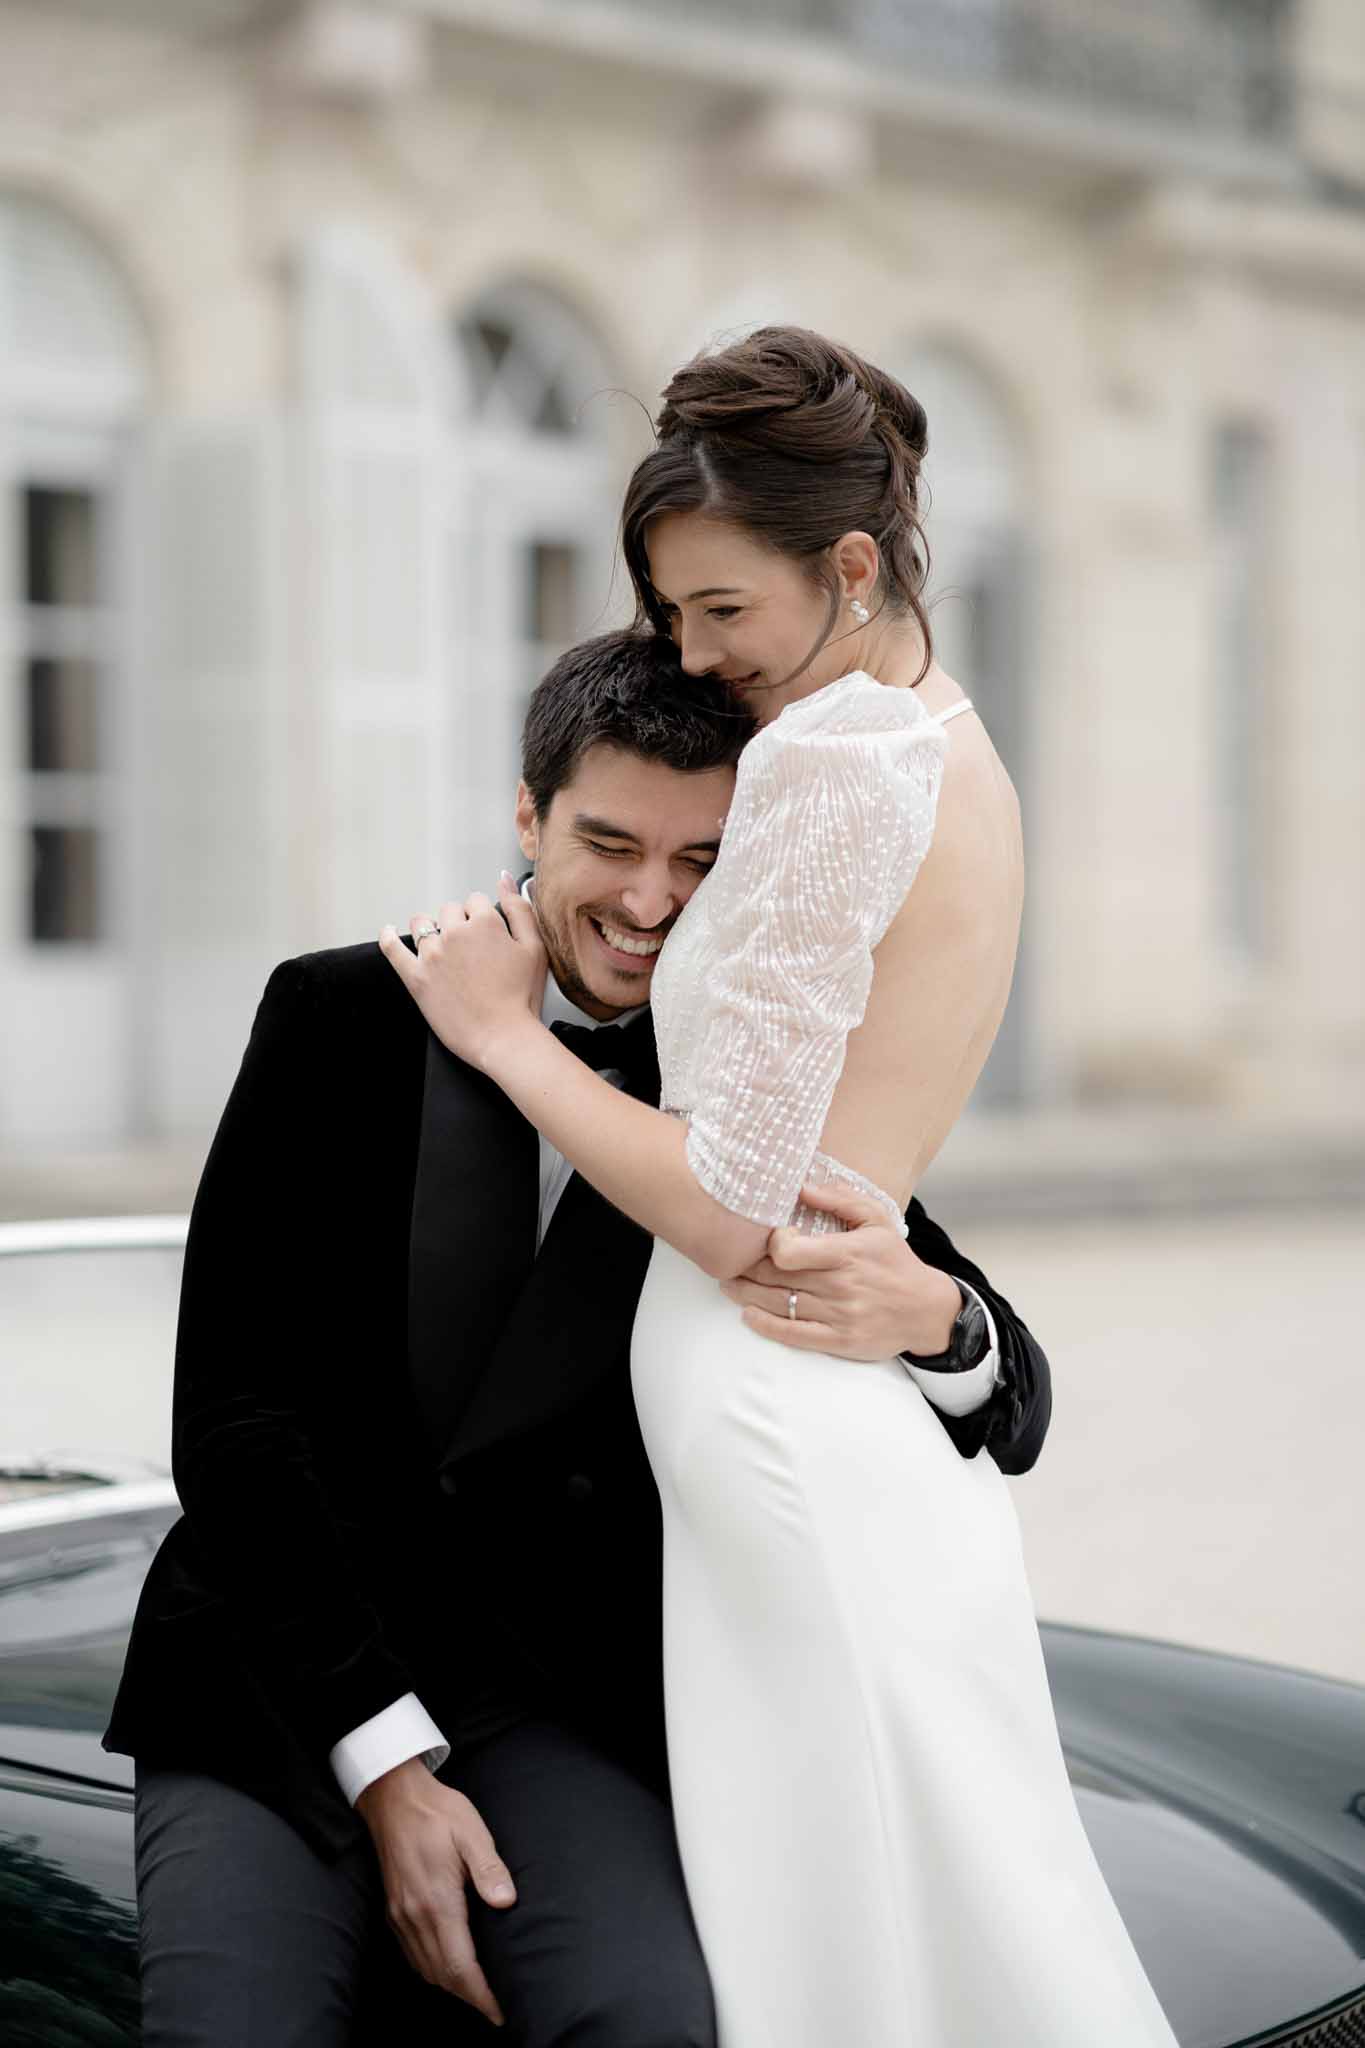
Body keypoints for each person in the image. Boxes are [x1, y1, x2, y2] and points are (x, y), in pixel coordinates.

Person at [383, 328, 1179, 2046]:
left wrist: (506, 1042)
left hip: (769, 1404)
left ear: (851, 565)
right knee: (947, 1905)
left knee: (846, 1944)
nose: (694, 654)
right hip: (827, 1398)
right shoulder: (951, 744)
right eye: (670, 615)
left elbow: (744, 1212)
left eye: (720, 610)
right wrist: (939, 1316)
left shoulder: (834, 759)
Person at [105, 626, 1052, 2048]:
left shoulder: (754, 1082)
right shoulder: (339, 1010)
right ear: (527, 814)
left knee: (648, 2024)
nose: (651, 901)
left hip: (550, 1702)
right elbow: (232, 1418)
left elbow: (1011, 1395)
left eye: (702, 861)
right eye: (610, 843)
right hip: (280, 1673)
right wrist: (386, 1768)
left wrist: (940, 1319)